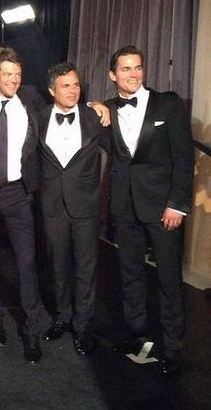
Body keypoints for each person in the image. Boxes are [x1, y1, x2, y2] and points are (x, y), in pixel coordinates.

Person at [106, 45, 194, 376]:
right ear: (113, 75)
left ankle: (172, 347)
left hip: (163, 209)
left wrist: (177, 204)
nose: (133, 74)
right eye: (126, 69)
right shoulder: (108, 109)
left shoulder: (168, 103)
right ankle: (136, 333)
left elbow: (184, 158)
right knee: (130, 275)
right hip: (125, 207)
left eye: (138, 67)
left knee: (169, 279)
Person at [0, 46, 52, 364]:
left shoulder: (31, 99)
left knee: (26, 262)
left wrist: (98, 107)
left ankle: (31, 329)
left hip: (20, 193)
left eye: (18, 74)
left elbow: (63, 105)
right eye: (7, 74)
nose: (13, 80)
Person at [38, 62, 107, 355]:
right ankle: (62, 317)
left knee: (86, 268)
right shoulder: (37, 118)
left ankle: (83, 325)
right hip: (53, 204)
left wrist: (102, 106)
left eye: (76, 85)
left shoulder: (95, 117)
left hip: (86, 205)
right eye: (65, 85)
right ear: (52, 90)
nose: (73, 90)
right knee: (58, 266)